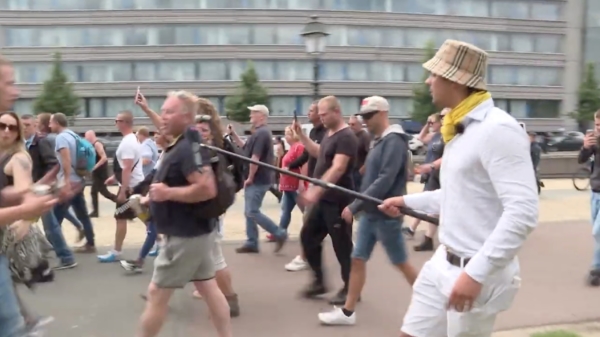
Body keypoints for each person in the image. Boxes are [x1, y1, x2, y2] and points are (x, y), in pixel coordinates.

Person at [378, 39, 538, 337]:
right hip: (442, 261)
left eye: (434, 74)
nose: (428, 80)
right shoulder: (460, 127)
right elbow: (457, 195)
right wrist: (405, 201)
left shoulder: (497, 130)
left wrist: (475, 274)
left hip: (476, 273)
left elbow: (523, 213)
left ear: (455, 80)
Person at [136, 90, 231, 337]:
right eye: (163, 110)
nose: (163, 116)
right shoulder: (183, 141)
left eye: (169, 111)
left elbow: (206, 189)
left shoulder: (187, 148)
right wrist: (154, 196)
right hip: (195, 232)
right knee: (209, 287)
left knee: (157, 294)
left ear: (186, 116)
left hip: (184, 237)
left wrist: (167, 194)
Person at [318, 96, 419, 325]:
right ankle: (347, 312)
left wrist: (355, 205)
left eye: (369, 116)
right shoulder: (379, 140)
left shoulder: (394, 140)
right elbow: (375, 174)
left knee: (401, 262)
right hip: (372, 213)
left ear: (383, 113)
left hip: (386, 213)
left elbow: (386, 178)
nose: (364, 120)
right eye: (363, 116)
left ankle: (435, 303)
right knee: (357, 259)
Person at [0, 55, 60, 337]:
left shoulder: (19, 158)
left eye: (12, 127)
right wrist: (23, 207)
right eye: (9, 83)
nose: (16, 90)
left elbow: (27, 186)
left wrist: (22, 199)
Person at [293, 95, 358, 305]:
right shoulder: (330, 134)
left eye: (324, 114)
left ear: (336, 112)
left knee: (342, 246)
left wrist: (316, 191)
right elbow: (319, 153)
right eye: (319, 114)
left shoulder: (346, 136)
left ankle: (351, 290)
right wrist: (301, 136)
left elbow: (338, 167)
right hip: (323, 201)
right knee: (308, 237)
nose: (320, 118)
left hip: (338, 200)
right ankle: (319, 282)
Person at [227, 105, 287, 254]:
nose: (250, 115)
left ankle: (279, 233)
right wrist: (233, 134)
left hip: (258, 179)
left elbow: (255, 158)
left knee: (252, 211)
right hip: (257, 178)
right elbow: (245, 148)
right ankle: (252, 242)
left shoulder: (262, 134)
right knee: (249, 211)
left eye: (254, 112)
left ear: (262, 116)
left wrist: (250, 177)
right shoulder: (258, 133)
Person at [98, 110, 145, 263]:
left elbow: (127, 168)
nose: (115, 123)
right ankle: (160, 242)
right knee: (144, 216)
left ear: (124, 122)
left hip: (131, 187)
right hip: (134, 185)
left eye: (117, 120)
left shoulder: (128, 142)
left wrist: (123, 190)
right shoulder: (132, 140)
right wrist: (115, 177)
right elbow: (127, 167)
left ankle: (116, 251)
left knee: (121, 216)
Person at [284, 101, 325, 272]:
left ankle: (304, 257)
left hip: (323, 184)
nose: (308, 113)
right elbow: (307, 156)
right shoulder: (314, 131)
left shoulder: (326, 132)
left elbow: (321, 155)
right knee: (312, 222)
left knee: (309, 224)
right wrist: (298, 173)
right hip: (315, 181)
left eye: (312, 110)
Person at [49, 113, 97, 254]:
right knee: (82, 213)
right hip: (79, 180)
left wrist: (66, 181)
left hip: (70, 182)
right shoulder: (73, 135)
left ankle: (57, 248)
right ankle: (90, 243)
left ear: (57, 122)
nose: (49, 125)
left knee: (56, 216)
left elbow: (66, 160)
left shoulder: (61, 137)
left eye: (51, 122)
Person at [403, 111, 446, 252]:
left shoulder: (447, 137)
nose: (432, 124)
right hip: (431, 174)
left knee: (430, 204)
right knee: (430, 204)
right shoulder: (435, 136)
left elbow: (448, 156)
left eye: (434, 122)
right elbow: (421, 138)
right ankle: (419, 233)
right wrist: (427, 125)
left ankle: (418, 232)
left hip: (439, 174)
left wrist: (431, 166)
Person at [268, 126, 304, 241]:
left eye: (288, 134)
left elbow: (303, 165)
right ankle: (281, 232)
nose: (286, 137)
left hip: (294, 184)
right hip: (288, 184)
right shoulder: (292, 147)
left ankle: (315, 231)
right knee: (285, 210)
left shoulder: (299, 147)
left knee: (304, 210)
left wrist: (302, 182)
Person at [578, 113, 600, 286]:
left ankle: (596, 268)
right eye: (596, 124)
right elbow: (581, 160)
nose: (598, 128)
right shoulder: (594, 141)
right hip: (594, 192)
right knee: (596, 233)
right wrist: (585, 147)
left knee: (598, 232)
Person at [85, 130, 117, 217]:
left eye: (87, 136)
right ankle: (95, 212)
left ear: (91, 136)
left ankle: (123, 203)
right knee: (94, 191)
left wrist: (93, 167)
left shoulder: (97, 144)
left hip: (101, 173)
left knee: (104, 192)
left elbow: (104, 158)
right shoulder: (93, 145)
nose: (86, 138)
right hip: (97, 172)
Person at [348, 115, 370, 191]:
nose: (350, 126)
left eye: (353, 124)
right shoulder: (350, 136)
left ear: (360, 125)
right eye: (349, 124)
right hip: (351, 172)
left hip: (359, 173)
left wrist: (362, 170)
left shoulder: (365, 137)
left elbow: (370, 155)